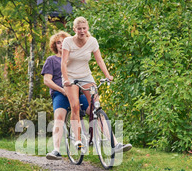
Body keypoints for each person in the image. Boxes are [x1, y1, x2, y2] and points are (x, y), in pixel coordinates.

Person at [61, 17, 132, 153]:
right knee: (75, 106)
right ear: (74, 29)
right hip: (70, 77)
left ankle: (114, 143)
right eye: (79, 29)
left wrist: (107, 75)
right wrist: (65, 79)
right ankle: (78, 140)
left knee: (96, 107)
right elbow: (63, 63)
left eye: (84, 28)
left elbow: (99, 60)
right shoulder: (68, 42)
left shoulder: (92, 41)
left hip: (86, 76)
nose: (82, 31)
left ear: (87, 28)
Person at [42, 31, 89, 160]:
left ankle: (110, 141)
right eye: (58, 42)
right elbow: (47, 80)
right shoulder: (52, 60)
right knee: (59, 117)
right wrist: (61, 89)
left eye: (64, 42)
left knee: (94, 109)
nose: (62, 45)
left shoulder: (74, 59)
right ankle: (56, 150)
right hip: (60, 93)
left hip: (77, 92)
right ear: (55, 45)